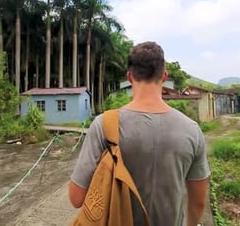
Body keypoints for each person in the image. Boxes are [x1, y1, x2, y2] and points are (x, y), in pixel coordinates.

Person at [69, 41, 211, 226]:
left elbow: (76, 197)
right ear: (164, 76)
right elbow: (198, 201)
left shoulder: (104, 125)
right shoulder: (191, 130)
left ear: (129, 76)